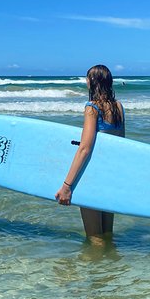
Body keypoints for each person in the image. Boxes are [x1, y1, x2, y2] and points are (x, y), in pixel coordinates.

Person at [55, 64, 125, 244]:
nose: (86, 81)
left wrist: (67, 186)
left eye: (87, 78)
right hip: (111, 175)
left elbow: (85, 148)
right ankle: (112, 270)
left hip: (93, 176)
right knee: (107, 235)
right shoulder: (118, 107)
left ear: (93, 82)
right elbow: (122, 144)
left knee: (95, 238)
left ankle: (97, 270)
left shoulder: (92, 107)